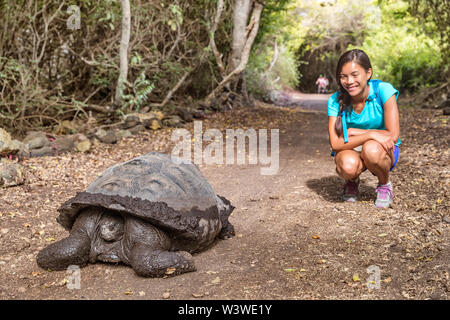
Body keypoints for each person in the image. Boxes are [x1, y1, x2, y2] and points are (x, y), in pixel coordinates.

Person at [327, 49, 400, 208]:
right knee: (347, 166)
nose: (349, 81)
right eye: (343, 76)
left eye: (355, 75)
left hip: (381, 149)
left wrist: (355, 132)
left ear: (368, 73)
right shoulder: (334, 100)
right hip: (352, 148)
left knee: (371, 150)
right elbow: (336, 144)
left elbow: (392, 135)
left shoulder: (384, 90)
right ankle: (352, 180)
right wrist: (371, 133)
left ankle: (384, 184)